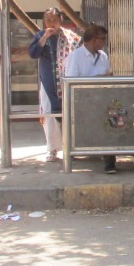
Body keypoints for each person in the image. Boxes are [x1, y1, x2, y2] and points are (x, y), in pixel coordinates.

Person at [63, 23, 117, 174]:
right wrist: (96, 79)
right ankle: (108, 159)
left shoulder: (103, 56)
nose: (104, 42)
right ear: (94, 39)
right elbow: (70, 82)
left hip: (102, 99)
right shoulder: (76, 57)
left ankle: (110, 157)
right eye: (103, 39)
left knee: (115, 117)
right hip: (83, 101)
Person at [27, 8, 80, 162]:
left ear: (60, 20)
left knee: (70, 115)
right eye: (48, 20)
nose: (52, 23)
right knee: (49, 115)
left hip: (67, 83)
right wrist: (44, 38)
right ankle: (52, 149)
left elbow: (79, 53)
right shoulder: (39, 36)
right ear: (44, 22)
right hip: (48, 83)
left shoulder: (70, 37)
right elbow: (33, 54)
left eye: (54, 20)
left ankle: (71, 148)